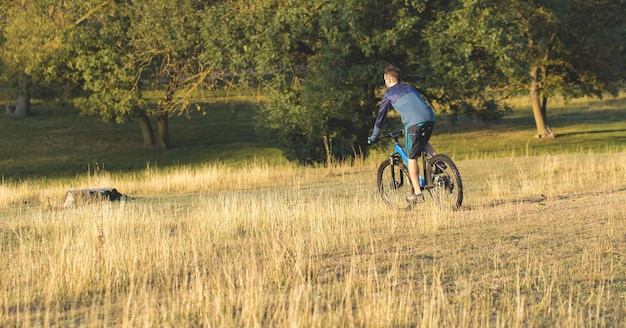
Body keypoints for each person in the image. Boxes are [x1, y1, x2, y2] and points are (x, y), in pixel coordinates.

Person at [368, 65, 436, 204]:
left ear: (388, 79)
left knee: (412, 158)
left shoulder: (388, 94)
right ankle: (438, 162)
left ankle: (417, 193)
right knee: (423, 143)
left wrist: (374, 136)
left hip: (413, 124)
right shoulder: (410, 87)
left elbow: (381, 117)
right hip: (430, 118)